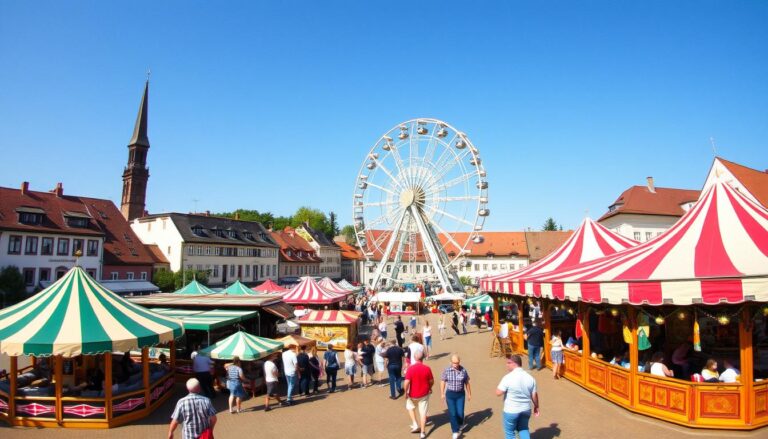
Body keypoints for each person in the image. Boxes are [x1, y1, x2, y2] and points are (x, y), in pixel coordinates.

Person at [496, 354, 539, 439]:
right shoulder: (531, 378)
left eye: (508, 363)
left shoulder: (508, 377)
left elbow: (498, 393)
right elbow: (534, 395)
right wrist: (536, 406)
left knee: (510, 433)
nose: (506, 365)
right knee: (523, 429)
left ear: (514, 363)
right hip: (525, 409)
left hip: (511, 410)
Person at [403, 350, 434, 439]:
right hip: (424, 394)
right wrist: (429, 388)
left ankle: (415, 424)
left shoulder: (411, 369)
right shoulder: (427, 368)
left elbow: (406, 382)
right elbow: (431, 381)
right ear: (422, 358)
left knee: (410, 407)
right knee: (423, 413)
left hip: (412, 394)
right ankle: (423, 432)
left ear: (415, 357)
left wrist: (405, 392)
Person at [441, 354, 472, 439]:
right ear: (450, 362)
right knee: (453, 413)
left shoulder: (463, 370)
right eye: (454, 363)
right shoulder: (447, 370)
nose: (456, 364)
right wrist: (442, 393)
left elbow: (467, 382)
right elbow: (443, 381)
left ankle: (460, 423)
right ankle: (455, 431)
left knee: (460, 412)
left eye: (457, 362)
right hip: (450, 394)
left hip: (460, 395)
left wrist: (469, 393)